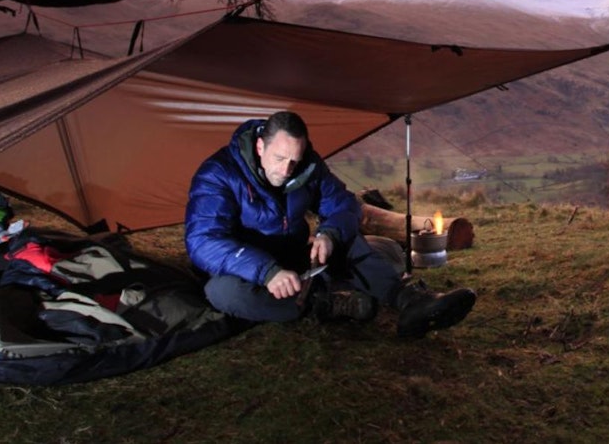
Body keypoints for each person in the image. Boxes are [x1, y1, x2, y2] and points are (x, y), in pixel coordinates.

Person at [184, 110, 475, 338]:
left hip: (294, 253)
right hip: (246, 267)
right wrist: (266, 272)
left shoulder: (307, 166)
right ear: (260, 146)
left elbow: (344, 204)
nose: (286, 170)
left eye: (294, 160)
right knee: (221, 293)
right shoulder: (218, 173)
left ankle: (410, 300)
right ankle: (326, 305)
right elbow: (202, 241)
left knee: (345, 238)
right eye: (280, 158)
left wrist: (329, 234)